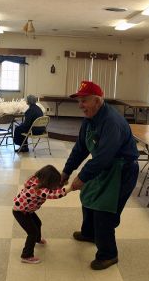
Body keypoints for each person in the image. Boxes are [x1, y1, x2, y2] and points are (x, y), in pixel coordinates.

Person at [61, 80, 139, 270]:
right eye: (79, 101)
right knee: (88, 197)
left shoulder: (112, 122)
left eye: (84, 101)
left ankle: (108, 254)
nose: (80, 106)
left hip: (121, 170)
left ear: (97, 100)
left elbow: (104, 156)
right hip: (103, 167)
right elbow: (80, 148)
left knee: (105, 211)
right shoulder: (89, 120)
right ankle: (89, 233)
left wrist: (82, 177)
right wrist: (66, 171)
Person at [13, 165, 71, 264]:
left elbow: (50, 190)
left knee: (38, 223)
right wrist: (70, 188)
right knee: (32, 232)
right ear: (48, 182)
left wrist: (60, 185)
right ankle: (26, 255)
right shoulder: (38, 189)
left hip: (27, 210)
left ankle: (37, 239)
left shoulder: (36, 180)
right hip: (20, 212)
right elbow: (53, 194)